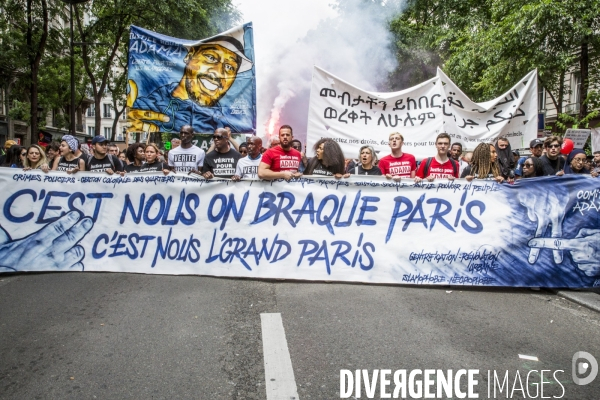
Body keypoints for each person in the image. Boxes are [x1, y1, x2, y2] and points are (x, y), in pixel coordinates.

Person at [127, 28, 253, 134]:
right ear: (189, 56)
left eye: (229, 67)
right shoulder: (147, 108)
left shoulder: (228, 125)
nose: (218, 73)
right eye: (211, 57)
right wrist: (134, 126)